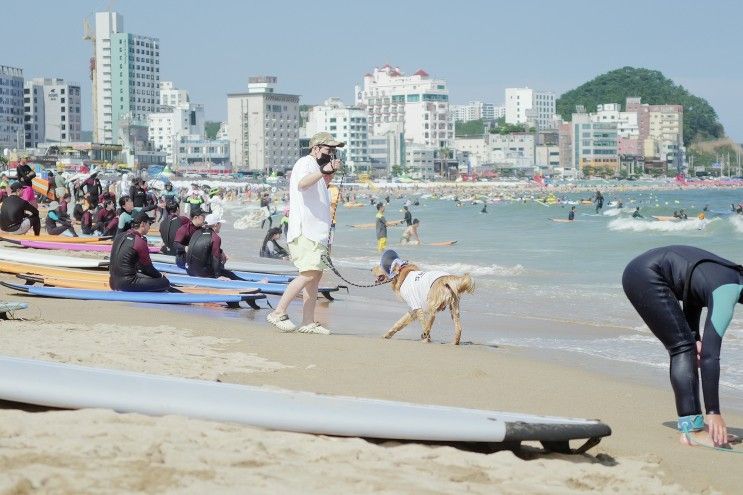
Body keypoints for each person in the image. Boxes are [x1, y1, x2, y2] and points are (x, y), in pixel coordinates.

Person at [622, 245, 742, 447]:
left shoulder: (729, 275)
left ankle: (694, 426)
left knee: (687, 345)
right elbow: (710, 355)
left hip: (642, 270)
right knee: (682, 348)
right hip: (645, 275)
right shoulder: (728, 290)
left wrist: (694, 335)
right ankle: (691, 430)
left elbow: (691, 293)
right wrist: (714, 413)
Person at [266, 131, 343, 334]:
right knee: (308, 274)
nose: (331, 154)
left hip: (317, 231)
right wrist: (324, 170)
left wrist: (328, 173)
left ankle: (308, 321)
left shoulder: (316, 167)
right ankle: (278, 312)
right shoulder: (305, 163)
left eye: (333, 151)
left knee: (314, 276)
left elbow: (318, 187)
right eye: (328, 150)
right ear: (316, 148)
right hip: (305, 230)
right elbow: (302, 184)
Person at [109, 212, 170, 292]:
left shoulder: (119, 236)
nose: (149, 227)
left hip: (112, 282)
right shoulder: (139, 241)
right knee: (165, 282)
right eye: (149, 224)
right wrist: (161, 276)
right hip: (127, 283)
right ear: (143, 224)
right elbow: (148, 269)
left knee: (145, 276)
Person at [186, 213, 238, 279]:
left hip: (189, 271)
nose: (221, 226)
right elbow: (215, 258)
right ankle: (246, 284)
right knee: (230, 274)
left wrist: (221, 252)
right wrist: (218, 275)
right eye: (220, 223)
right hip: (202, 274)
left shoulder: (196, 232)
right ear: (216, 225)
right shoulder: (215, 238)